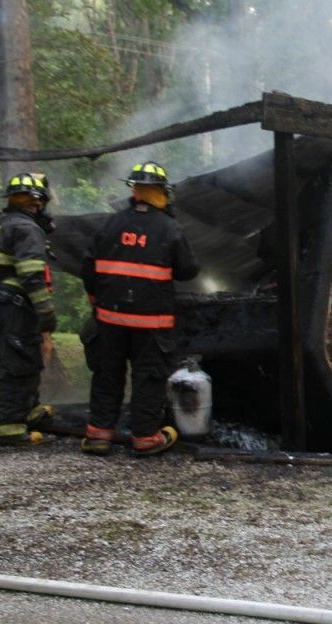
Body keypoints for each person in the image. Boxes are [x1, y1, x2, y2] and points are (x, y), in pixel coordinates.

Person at [80, 161, 199, 456]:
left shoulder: (111, 223)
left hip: (110, 319)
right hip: (151, 323)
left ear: (134, 191)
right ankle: (146, 437)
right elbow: (188, 270)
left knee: (107, 375)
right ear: (161, 192)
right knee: (148, 377)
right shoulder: (169, 228)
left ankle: (98, 436)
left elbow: (88, 266)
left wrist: (96, 301)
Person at [0, 173, 57, 446]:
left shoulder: (3, 224)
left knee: (27, 358)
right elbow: (31, 274)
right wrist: (45, 310)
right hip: (15, 306)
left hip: (0, 305)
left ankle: (28, 410)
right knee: (16, 366)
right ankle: (8, 428)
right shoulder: (27, 228)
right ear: (36, 203)